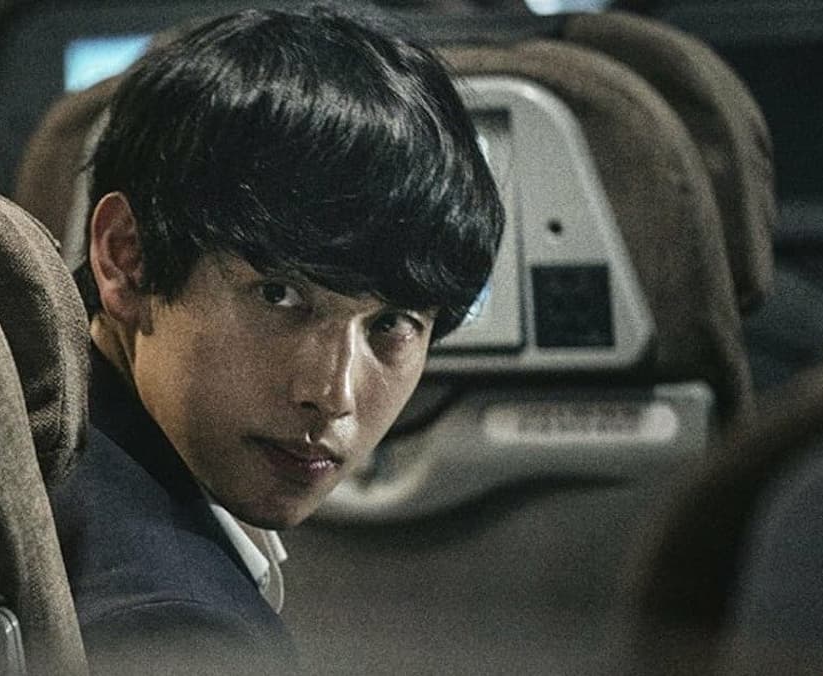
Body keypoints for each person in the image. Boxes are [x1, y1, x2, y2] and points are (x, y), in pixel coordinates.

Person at [46, 4, 504, 674]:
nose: (333, 395)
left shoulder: (39, 432)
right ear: (127, 257)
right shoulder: (179, 630)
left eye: (390, 324)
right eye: (279, 296)